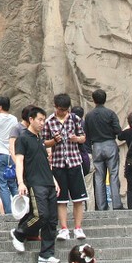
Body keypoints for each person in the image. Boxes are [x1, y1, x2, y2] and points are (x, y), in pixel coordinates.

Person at [10, 105, 59, 263]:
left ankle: (46, 254)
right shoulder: (23, 138)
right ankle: (19, 233)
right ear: (31, 119)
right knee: (40, 215)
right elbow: (19, 161)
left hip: (48, 183)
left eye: (44, 120)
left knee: (52, 220)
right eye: (40, 119)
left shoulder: (40, 140)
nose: (42, 123)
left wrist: (54, 181)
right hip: (35, 183)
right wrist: (21, 182)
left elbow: (45, 163)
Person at [45, 93, 88, 240]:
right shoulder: (49, 121)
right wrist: (54, 141)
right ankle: (63, 228)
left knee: (78, 198)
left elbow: (83, 137)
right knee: (61, 199)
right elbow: (44, 142)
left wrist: (76, 139)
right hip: (58, 163)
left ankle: (78, 228)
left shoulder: (75, 119)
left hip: (74, 161)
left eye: (65, 109)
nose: (63, 112)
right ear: (55, 107)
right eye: (60, 109)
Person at [83, 88, 122, 211]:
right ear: (105, 99)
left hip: (96, 146)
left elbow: (86, 134)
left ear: (94, 100)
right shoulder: (110, 113)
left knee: (99, 176)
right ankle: (116, 204)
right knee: (113, 174)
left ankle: (101, 206)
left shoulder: (88, 116)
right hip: (110, 144)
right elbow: (118, 130)